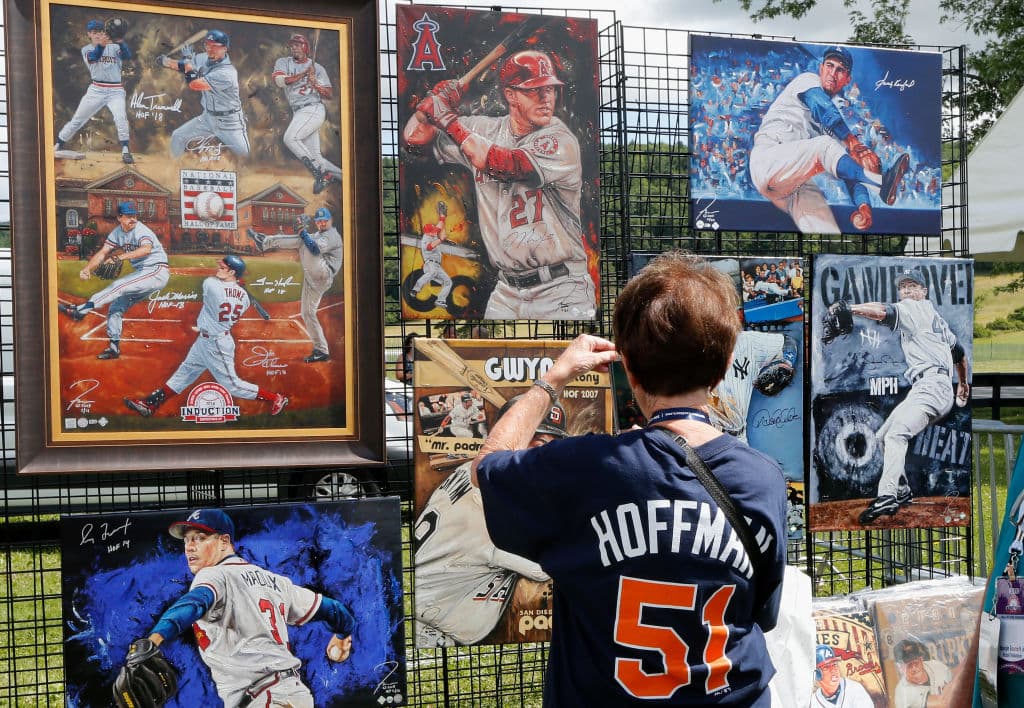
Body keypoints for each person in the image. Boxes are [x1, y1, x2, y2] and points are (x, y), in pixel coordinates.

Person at [471, 252, 787, 705]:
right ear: (724, 368)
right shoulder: (763, 478)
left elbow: (487, 466)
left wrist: (554, 378)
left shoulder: (585, 469)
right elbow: (762, 612)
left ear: (629, 369)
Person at [403, 49, 596, 320]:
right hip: (507, 290)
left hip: (561, 287)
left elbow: (503, 163)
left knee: (567, 348)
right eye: (534, 90)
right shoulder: (485, 130)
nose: (546, 98)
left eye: (550, 89)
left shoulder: (560, 139)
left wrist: (446, 118)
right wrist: (430, 106)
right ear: (510, 95)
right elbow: (414, 138)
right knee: (490, 346)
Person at [135, 508, 354, 707]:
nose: (190, 547)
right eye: (187, 540)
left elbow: (194, 603)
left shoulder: (214, 575)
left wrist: (153, 640)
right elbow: (334, 610)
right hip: (289, 694)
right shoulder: (276, 582)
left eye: (200, 538)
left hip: (265, 698)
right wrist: (342, 636)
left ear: (224, 541)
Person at [414, 395, 566, 647]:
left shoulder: (474, 471)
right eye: (536, 442)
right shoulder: (488, 504)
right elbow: (543, 567)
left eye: (552, 445)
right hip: (430, 632)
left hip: (435, 618)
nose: (543, 454)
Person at [851, 267, 970, 524]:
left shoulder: (914, 308)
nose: (906, 290)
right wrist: (962, 382)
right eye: (903, 287)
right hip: (930, 388)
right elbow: (959, 353)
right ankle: (902, 489)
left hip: (931, 387)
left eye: (912, 286)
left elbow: (882, 311)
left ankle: (887, 496)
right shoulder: (935, 317)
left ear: (923, 291)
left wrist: (851, 309)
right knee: (883, 437)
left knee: (896, 435)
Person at [749, 45, 910, 234]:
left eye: (840, 69)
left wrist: (863, 205)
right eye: (829, 65)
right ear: (821, 68)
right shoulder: (808, 80)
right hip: (768, 159)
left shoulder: (835, 130)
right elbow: (822, 107)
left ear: (847, 79)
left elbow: (850, 173)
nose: (832, 73)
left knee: (828, 233)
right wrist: (853, 143)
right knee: (824, 146)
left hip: (791, 184)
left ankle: (876, 186)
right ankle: (880, 183)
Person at [123, 256, 289, 417]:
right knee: (185, 373)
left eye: (223, 267)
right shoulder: (244, 298)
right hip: (206, 340)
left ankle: (275, 398)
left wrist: (232, 285)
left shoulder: (211, 285)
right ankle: (150, 405)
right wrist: (236, 286)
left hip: (216, 344)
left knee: (232, 385)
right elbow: (231, 295)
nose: (219, 268)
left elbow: (216, 286)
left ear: (232, 272)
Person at [58, 202, 169, 360]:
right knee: (116, 307)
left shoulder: (141, 230)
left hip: (156, 270)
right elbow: (103, 252)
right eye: (128, 216)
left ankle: (81, 311)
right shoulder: (117, 233)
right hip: (144, 273)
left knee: (118, 285)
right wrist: (88, 268)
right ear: (119, 218)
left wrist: (119, 257)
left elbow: (146, 249)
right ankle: (113, 348)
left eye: (134, 216)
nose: (133, 219)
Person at [248, 207, 343, 363]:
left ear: (330, 220)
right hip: (313, 279)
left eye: (324, 221)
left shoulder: (332, 235)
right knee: (307, 313)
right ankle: (322, 350)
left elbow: (314, 249)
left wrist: (302, 231)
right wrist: (301, 232)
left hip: (323, 273)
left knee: (305, 242)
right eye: (319, 221)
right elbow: (304, 239)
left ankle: (264, 241)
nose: (322, 223)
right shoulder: (318, 234)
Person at [156, 30, 250, 158]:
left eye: (215, 46)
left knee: (246, 156)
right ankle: (173, 167)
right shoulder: (204, 58)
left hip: (229, 122)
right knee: (178, 136)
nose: (210, 50)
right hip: (207, 118)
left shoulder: (227, 73)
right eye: (207, 45)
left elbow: (194, 83)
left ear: (225, 49)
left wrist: (188, 60)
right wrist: (166, 62)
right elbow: (184, 66)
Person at [55, 19, 134, 163]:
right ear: (89, 34)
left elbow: (127, 56)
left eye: (100, 31)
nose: (97, 34)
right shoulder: (86, 49)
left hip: (115, 90)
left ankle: (125, 150)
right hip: (96, 90)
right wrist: (102, 45)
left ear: (105, 32)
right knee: (78, 120)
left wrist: (120, 41)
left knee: (121, 118)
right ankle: (58, 144)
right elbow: (93, 58)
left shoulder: (114, 47)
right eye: (94, 32)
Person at [272, 33, 341, 194]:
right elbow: (280, 81)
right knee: (316, 157)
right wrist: (304, 74)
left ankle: (322, 175)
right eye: (292, 45)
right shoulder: (284, 62)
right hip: (298, 112)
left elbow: (329, 94)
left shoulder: (318, 68)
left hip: (313, 108)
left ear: (305, 47)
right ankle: (343, 177)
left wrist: (316, 84)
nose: (294, 47)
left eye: (298, 45)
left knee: (290, 138)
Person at [707, 330, 798, 443]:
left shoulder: (746, 341)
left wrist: (785, 365)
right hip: (698, 437)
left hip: (737, 438)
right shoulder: (688, 348)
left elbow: (788, 343)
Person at [408, 201, 453, 311]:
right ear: (427, 232)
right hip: (430, 264)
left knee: (448, 282)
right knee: (432, 272)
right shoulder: (425, 239)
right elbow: (430, 247)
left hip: (437, 266)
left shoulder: (432, 233)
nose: (434, 231)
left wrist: (442, 215)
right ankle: (415, 289)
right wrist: (440, 240)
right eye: (432, 231)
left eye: (434, 230)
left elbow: (440, 225)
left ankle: (440, 300)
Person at [892, 639, 953, 708]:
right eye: (909, 665)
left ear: (921, 659)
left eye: (916, 662)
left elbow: (957, 683)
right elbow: (944, 703)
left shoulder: (938, 667)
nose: (914, 668)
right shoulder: (903, 692)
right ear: (900, 667)